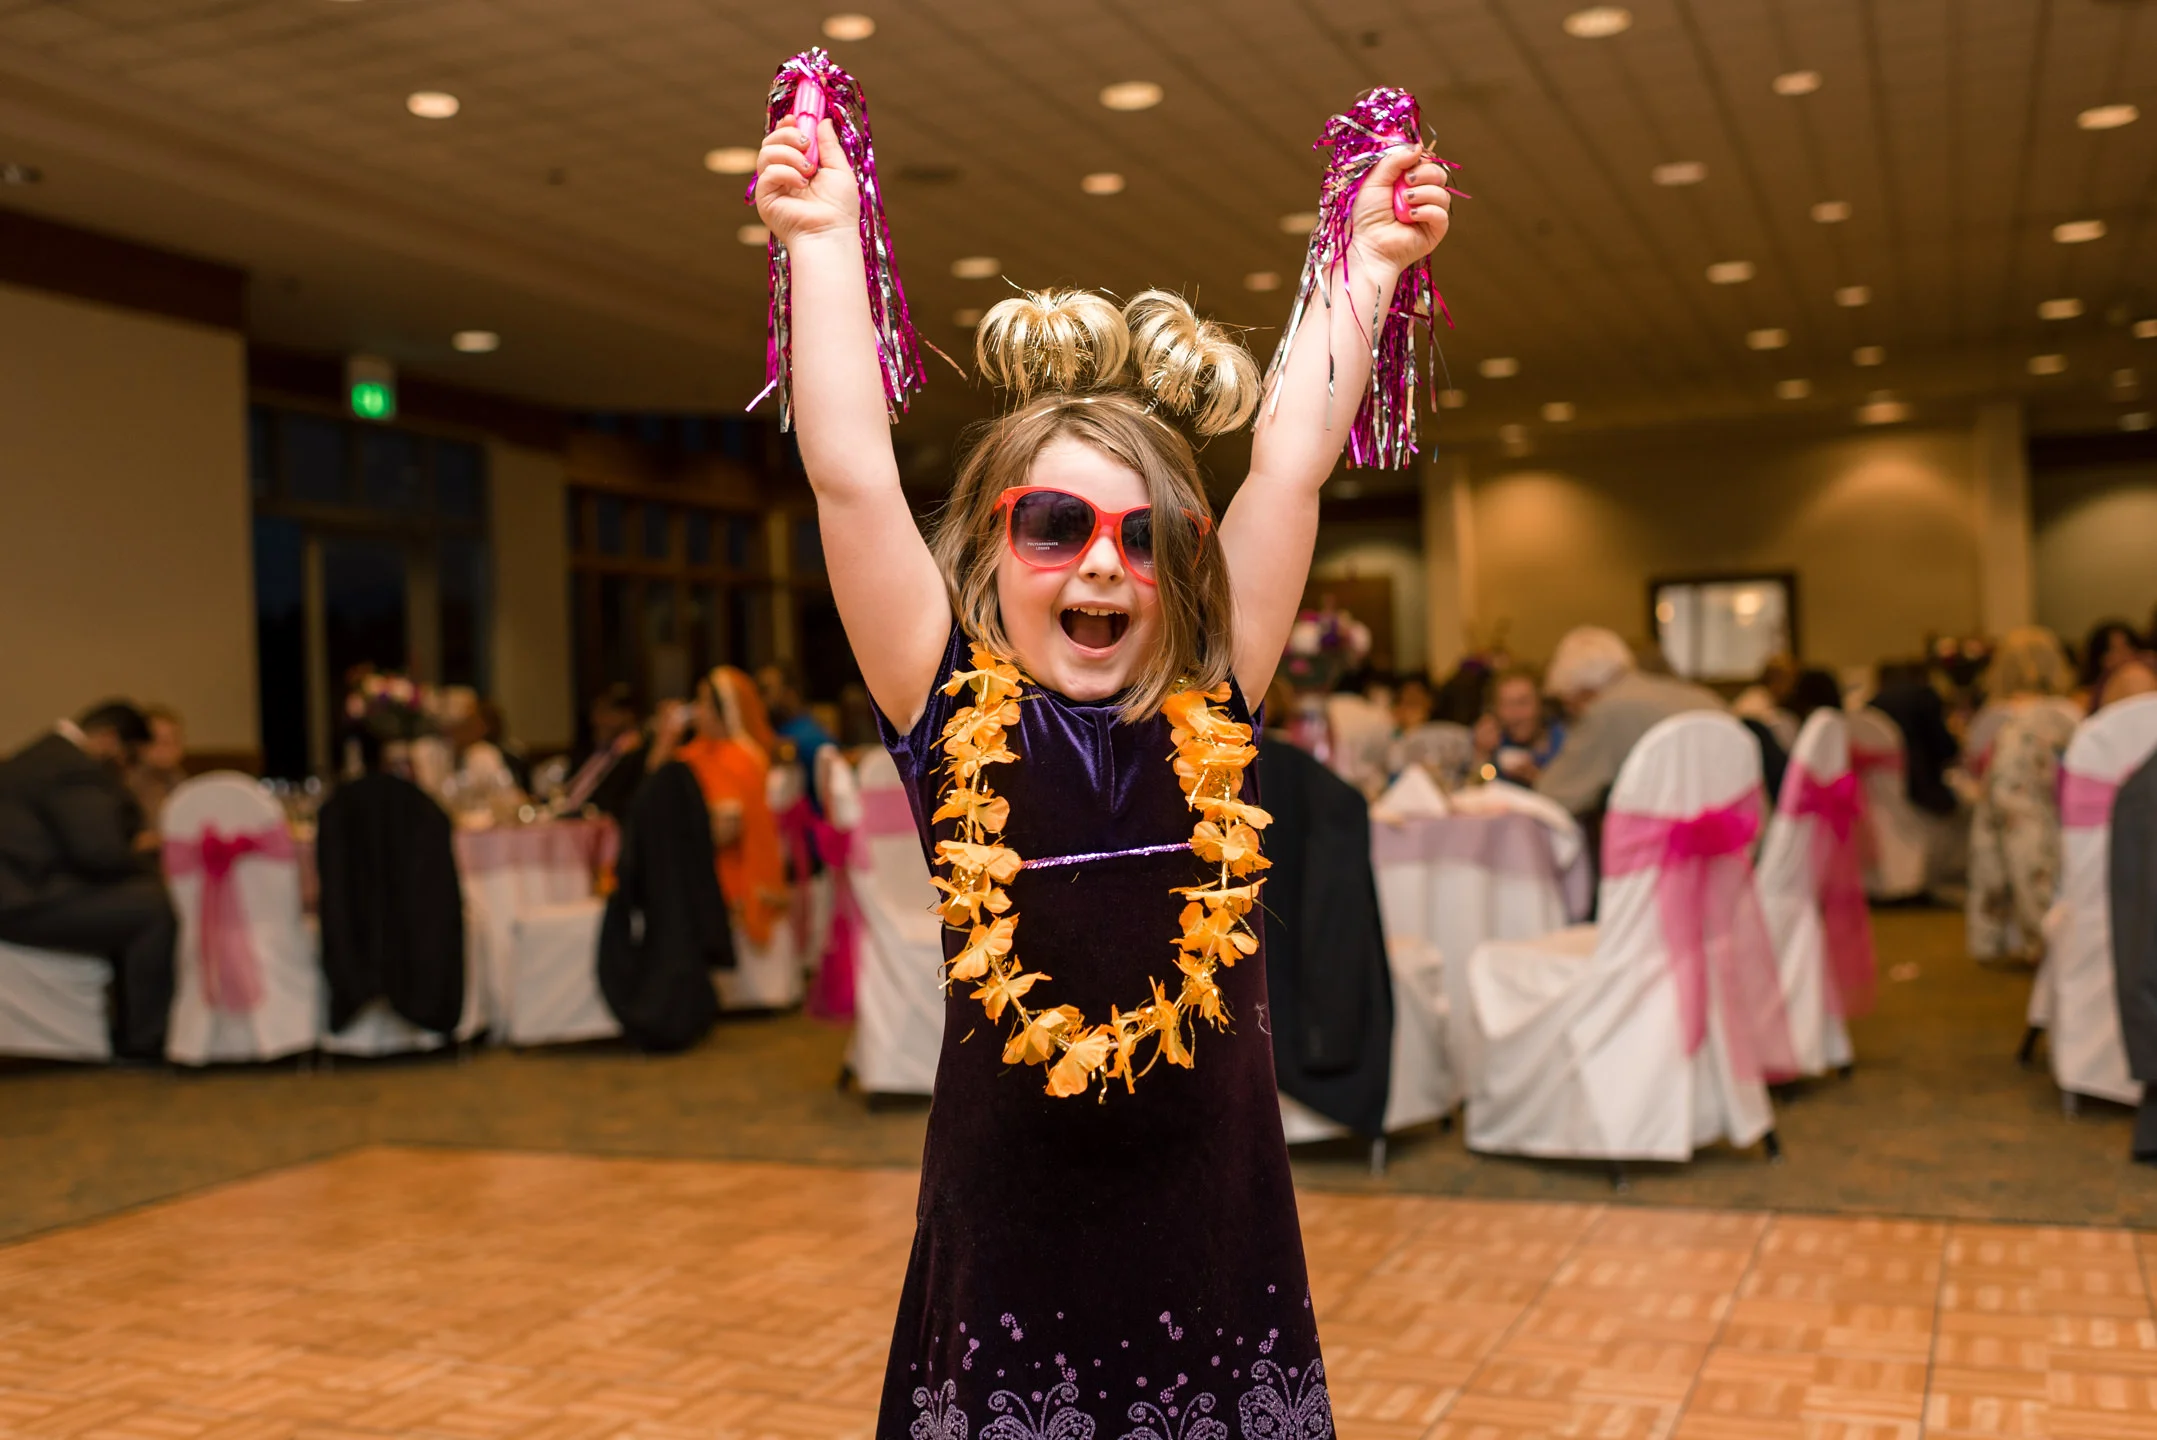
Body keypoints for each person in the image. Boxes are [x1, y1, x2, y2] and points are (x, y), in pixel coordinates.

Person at [754, 92, 1449, 1430]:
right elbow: (848, 474)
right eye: (1057, 523)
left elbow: (1290, 472)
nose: (1101, 566)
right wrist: (826, 237)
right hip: (1013, 1229)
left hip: (1212, 1219)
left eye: (1144, 537)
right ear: (988, 555)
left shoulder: (1216, 697)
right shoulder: (946, 703)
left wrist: (1362, 267)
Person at [0, 701, 175, 1060]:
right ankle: (146, 1042)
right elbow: (98, 853)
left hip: (25, 890)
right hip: (22, 901)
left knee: (140, 899)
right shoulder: (73, 768)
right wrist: (156, 866)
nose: (127, 767)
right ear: (108, 739)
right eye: (129, 757)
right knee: (155, 908)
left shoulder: (46, 755)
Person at [653, 666, 789, 950]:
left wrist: (683, 833)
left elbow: (729, 828)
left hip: (730, 878)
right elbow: (654, 791)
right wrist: (665, 740)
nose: (696, 710)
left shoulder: (742, 758)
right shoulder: (692, 753)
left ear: (722, 709)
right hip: (693, 871)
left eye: (703, 702)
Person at [1968, 626, 2082, 963]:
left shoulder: (1997, 716)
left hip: (2010, 811)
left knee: (2008, 848)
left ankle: (2016, 939)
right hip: (2065, 810)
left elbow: (1977, 766)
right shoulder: (2071, 713)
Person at [1533, 626, 1723, 819]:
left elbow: (1553, 796)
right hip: (1731, 825)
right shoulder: (1703, 696)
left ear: (1584, 691)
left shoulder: (1608, 710)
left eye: (1571, 704)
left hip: (1667, 831)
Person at [757, 661, 835, 814]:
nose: (760, 700)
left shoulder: (808, 736)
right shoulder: (775, 731)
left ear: (790, 694)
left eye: (766, 691)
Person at [562, 685, 649, 821]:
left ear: (628, 716)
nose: (596, 720)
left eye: (605, 712)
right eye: (596, 711)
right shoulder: (588, 750)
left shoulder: (636, 756)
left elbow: (612, 804)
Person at [1473, 667, 1566, 787]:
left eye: (1523, 702)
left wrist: (1538, 780)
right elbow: (1477, 789)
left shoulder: (1563, 741)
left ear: (1541, 704)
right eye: (1505, 705)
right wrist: (1481, 755)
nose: (1515, 714)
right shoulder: (1493, 737)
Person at [127, 704, 187, 833]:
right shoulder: (128, 784)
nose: (166, 748)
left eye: (173, 740)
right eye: (158, 740)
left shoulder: (179, 780)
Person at [2080, 618, 2157, 713]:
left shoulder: (2144, 669)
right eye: (2114, 650)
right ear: (2100, 658)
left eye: (2128, 647)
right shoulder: (2133, 676)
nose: (2124, 655)